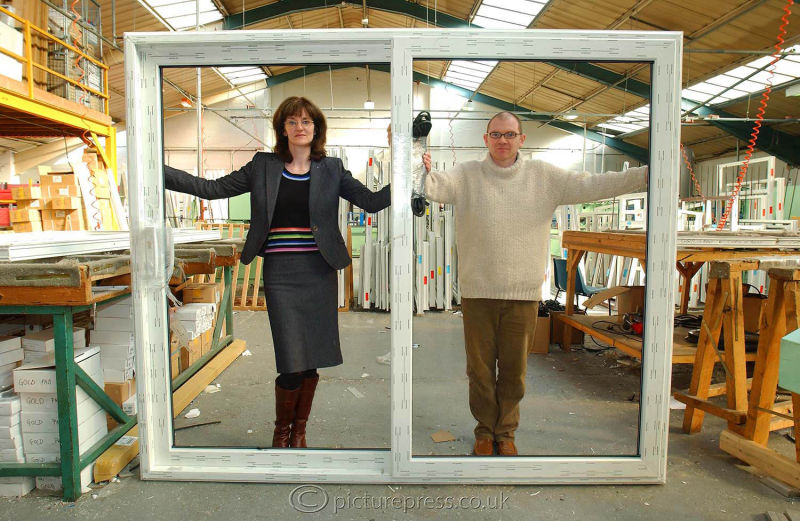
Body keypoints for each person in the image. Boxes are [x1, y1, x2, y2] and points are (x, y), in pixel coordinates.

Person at [164, 96, 391, 448]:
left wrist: (410, 176)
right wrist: (156, 170)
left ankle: (299, 432)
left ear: (316, 129)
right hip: (281, 274)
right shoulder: (263, 166)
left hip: (319, 272)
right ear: (282, 129)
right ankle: (280, 431)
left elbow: (372, 201)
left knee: (311, 358)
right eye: (292, 122)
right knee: (290, 358)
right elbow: (211, 190)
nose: (299, 128)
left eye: (306, 122)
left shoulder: (332, 169)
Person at [421, 111, 647, 457]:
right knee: (479, 372)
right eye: (495, 134)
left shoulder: (544, 177)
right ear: (486, 139)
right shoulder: (466, 175)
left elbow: (592, 185)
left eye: (510, 134)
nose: (502, 141)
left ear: (521, 139)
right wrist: (411, 155)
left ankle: (506, 433)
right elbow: (432, 186)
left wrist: (647, 174)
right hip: (478, 293)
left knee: (514, 372)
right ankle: (484, 432)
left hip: (524, 295)